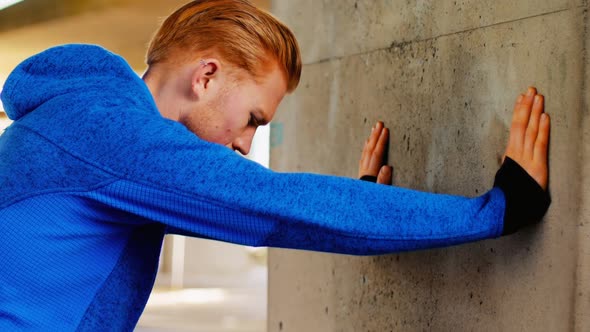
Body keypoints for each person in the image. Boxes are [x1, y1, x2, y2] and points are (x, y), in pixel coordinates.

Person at [0, 0, 550, 330]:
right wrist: (500, 209)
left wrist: (360, 205)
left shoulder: (83, 118)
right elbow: (279, 207)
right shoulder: (118, 135)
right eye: (253, 119)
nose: (245, 142)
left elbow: (266, 208)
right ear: (207, 76)